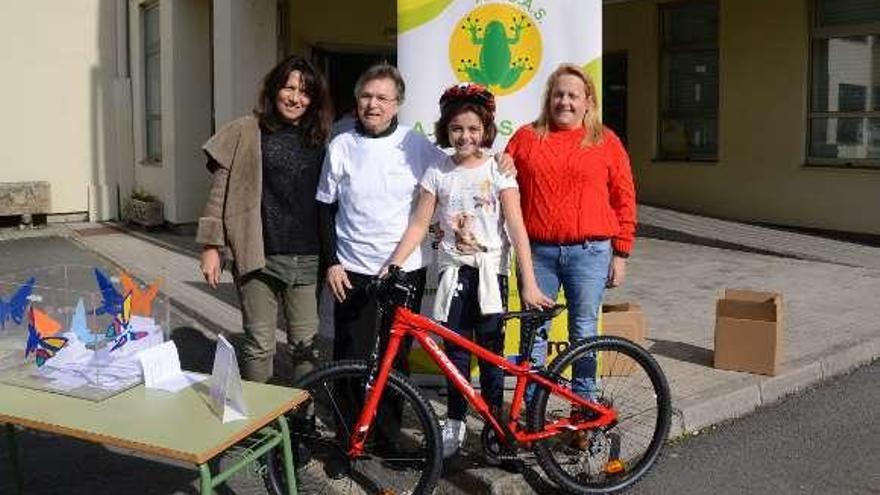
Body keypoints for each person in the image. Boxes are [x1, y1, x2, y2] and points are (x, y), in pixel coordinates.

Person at [383, 82, 553, 459]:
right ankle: (456, 422)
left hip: (490, 273)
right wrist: (394, 264)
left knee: (491, 352)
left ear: (486, 131)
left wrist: (528, 280)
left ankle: (495, 424)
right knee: (455, 353)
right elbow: (418, 223)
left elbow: (516, 227)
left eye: (474, 129)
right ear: (447, 129)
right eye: (458, 128)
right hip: (452, 274)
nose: (465, 136)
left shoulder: (498, 170)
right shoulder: (437, 172)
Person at [505, 64, 636, 446]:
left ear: (587, 101)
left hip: (590, 253)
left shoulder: (606, 141)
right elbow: (500, 180)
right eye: (558, 94)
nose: (564, 101)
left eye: (572, 95)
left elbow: (624, 198)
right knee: (536, 334)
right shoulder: (526, 139)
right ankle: (531, 411)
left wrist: (621, 252)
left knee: (583, 333)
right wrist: (500, 165)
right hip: (538, 253)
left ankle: (583, 411)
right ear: (549, 98)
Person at [197, 56, 333, 383]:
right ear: (274, 89)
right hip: (257, 256)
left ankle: (304, 419)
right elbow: (219, 193)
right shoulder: (245, 131)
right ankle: (260, 424)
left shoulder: (321, 140)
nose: (295, 98)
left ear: (313, 99)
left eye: (304, 92)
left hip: (306, 258)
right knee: (259, 345)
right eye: (289, 88)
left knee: (306, 347)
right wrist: (211, 246)